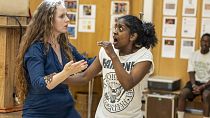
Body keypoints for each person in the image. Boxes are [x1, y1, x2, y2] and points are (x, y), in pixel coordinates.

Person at [67, 15, 158, 118]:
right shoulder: (105, 52)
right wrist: (60, 78)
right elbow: (85, 77)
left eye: (120, 28)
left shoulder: (144, 56)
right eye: (115, 27)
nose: (115, 31)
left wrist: (113, 56)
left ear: (132, 36)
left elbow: (128, 84)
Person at [15, 0, 94, 117]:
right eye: (62, 16)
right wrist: (65, 73)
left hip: (65, 109)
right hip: (40, 112)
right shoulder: (35, 49)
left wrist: (108, 53)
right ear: (48, 20)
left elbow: (86, 64)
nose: (67, 19)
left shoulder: (65, 45)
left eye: (66, 15)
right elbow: (39, 84)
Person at [177, 33, 210, 118]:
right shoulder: (194, 54)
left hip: (207, 83)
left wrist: (202, 87)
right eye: (203, 41)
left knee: (206, 95)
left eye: (207, 41)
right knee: (183, 93)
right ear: (200, 42)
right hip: (196, 82)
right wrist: (194, 85)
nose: (205, 43)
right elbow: (191, 72)